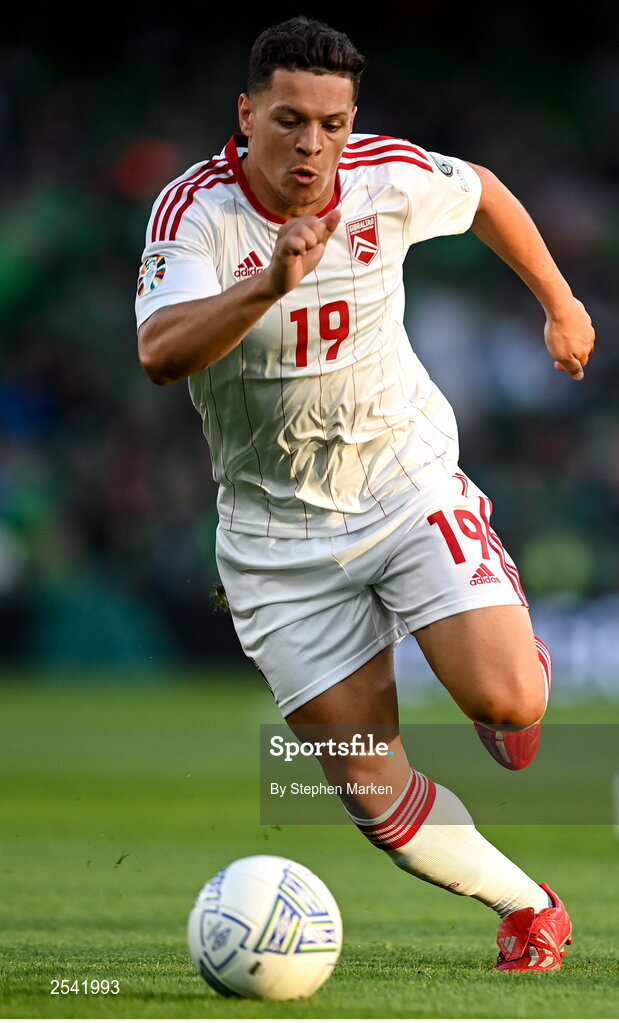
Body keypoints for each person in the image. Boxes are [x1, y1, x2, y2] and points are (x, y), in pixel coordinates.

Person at [135, 16, 594, 972]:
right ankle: (527, 906)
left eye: (333, 123)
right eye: (290, 120)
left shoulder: (386, 174)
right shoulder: (195, 214)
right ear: (245, 113)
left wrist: (558, 300)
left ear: (354, 121)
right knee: (367, 787)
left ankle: (511, 662)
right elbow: (159, 354)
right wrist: (269, 285)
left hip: (400, 475)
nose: (312, 146)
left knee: (507, 705)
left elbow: (483, 195)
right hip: (270, 536)